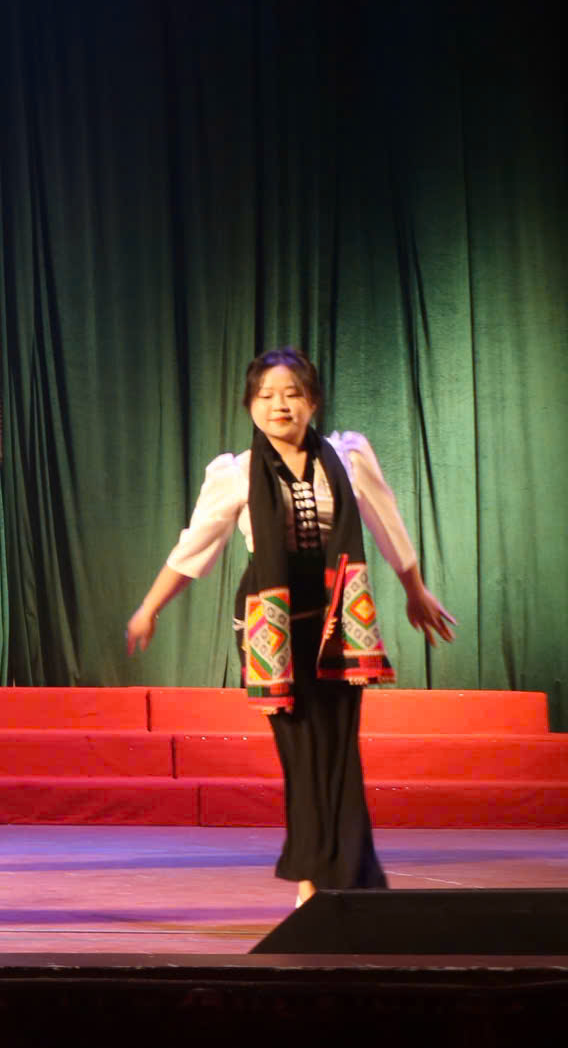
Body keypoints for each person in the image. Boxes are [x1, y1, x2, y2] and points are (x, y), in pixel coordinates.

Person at [126, 350, 458, 902]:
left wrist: (414, 589)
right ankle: (311, 878)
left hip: (338, 624)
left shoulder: (347, 458)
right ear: (249, 405)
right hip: (270, 627)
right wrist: (149, 607)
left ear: (313, 401)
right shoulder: (235, 473)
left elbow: (388, 524)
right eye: (266, 395)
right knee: (302, 753)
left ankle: (353, 878)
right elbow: (195, 547)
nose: (279, 405)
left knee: (340, 750)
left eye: (292, 393)